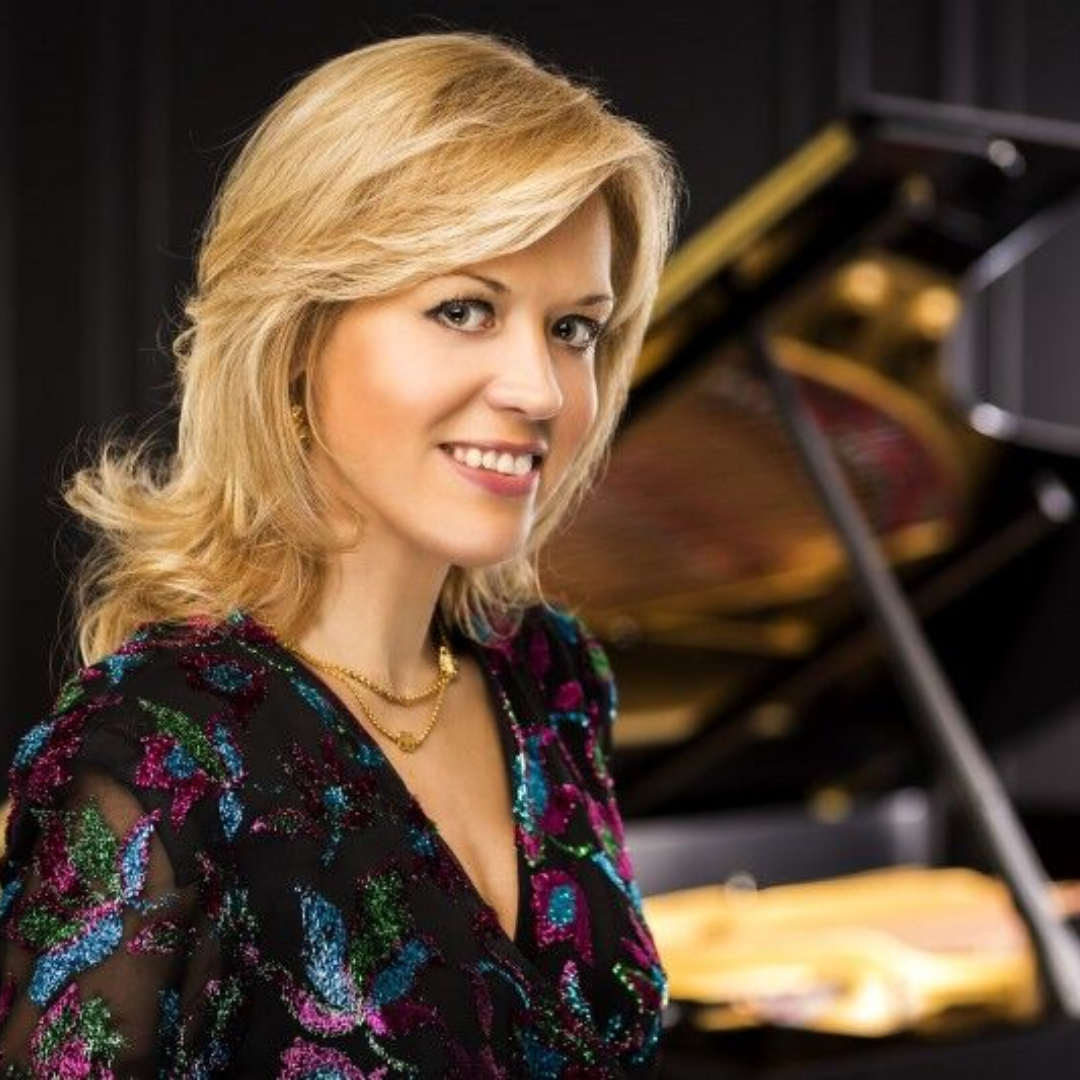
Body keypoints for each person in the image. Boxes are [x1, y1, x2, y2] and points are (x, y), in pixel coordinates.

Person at [0, 29, 681, 1078]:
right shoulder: (156, 754)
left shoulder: (550, 678)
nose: (542, 391)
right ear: (297, 336)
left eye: (574, 329)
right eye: (464, 309)